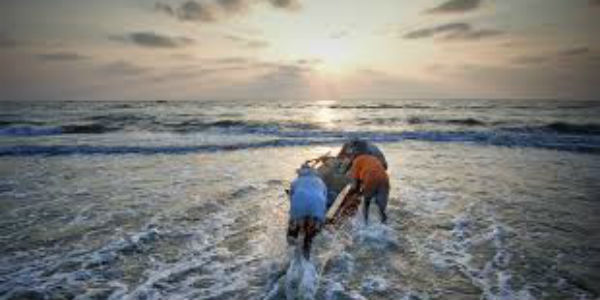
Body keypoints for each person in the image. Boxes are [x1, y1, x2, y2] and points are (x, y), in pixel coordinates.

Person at [287, 163, 327, 259]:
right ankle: (307, 256)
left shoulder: (295, 181)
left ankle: (291, 253)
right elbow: (324, 200)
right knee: (309, 238)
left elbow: (291, 199)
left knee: (292, 233)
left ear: (300, 172)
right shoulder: (321, 182)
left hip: (299, 210)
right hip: (317, 211)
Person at [346, 154, 390, 224]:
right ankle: (384, 223)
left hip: (371, 177)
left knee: (366, 203)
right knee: (381, 208)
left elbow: (355, 187)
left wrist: (350, 196)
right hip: (385, 178)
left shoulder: (356, 162)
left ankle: (365, 223)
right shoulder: (371, 158)